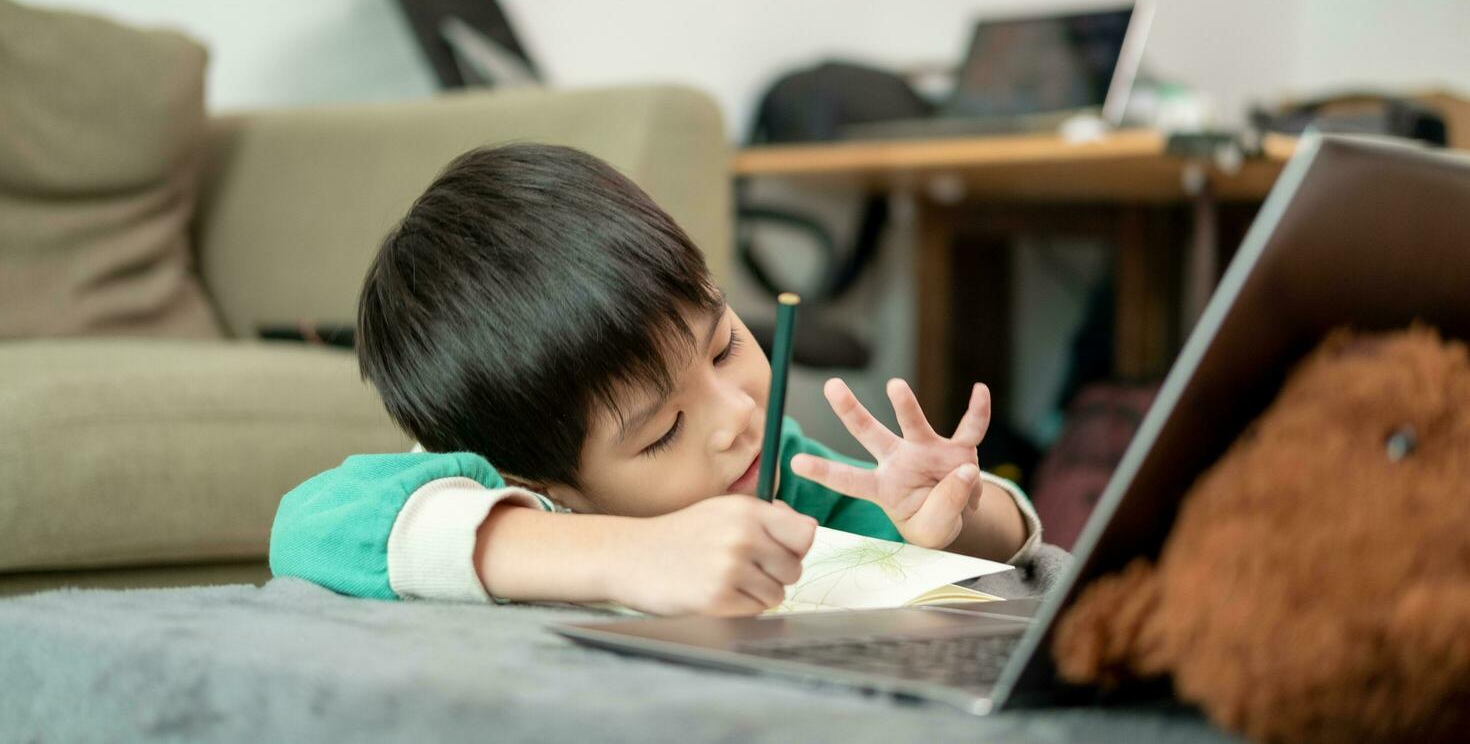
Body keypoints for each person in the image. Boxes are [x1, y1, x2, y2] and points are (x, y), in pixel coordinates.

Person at [270, 144, 1042, 616]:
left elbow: (987, 557)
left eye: (725, 346)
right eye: (663, 430)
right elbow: (311, 526)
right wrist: (629, 556)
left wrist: (960, 514)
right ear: (546, 483)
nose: (735, 417)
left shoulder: (779, 473)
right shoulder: (518, 492)